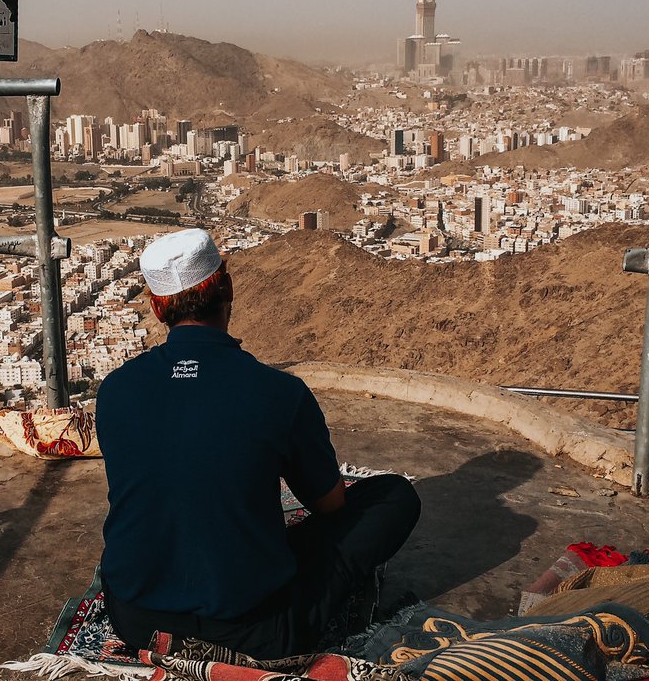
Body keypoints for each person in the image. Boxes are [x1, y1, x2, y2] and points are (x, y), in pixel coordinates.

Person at [96, 228, 420, 659]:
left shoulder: (115, 389)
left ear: (158, 308)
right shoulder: (278, 393)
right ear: (227, 286)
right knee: (394, 497)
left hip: (137, 620)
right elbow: (330, 506)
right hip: (259, 630)